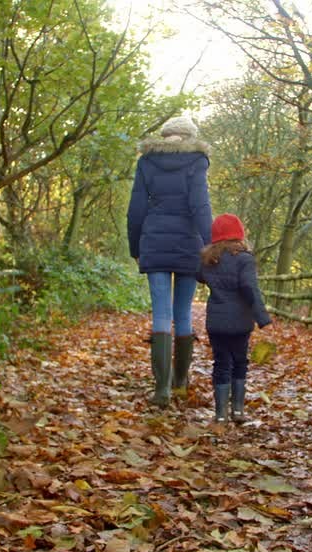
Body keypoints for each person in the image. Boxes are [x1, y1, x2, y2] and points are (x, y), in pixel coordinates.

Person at [127, 116, 213, 408]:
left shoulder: (147, 162)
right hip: (188, 243)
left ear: (166, 136)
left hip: (154, 240)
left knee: (161, 314)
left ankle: (161, 388)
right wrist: (210, 244)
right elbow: (200, 205)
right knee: (184, 313)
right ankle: (180, 381)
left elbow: (136, 207)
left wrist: (135, 245)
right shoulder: (196, 161)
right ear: (189, 137)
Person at [197, 214, 272, 423]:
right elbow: (250, 288)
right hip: (240, 322)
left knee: (221, 363)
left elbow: (198, 276)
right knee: (240, 362)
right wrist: (262, 317)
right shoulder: (244, 259)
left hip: (217, 323)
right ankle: (238, 410)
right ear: (239, 235)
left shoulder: (208, 260)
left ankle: (220, 414)